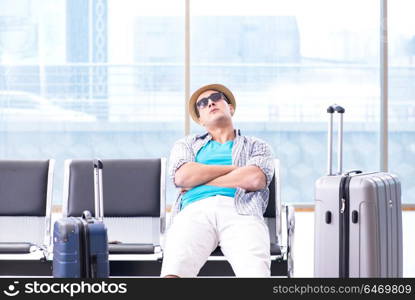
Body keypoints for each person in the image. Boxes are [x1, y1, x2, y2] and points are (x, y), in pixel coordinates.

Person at [160, 83, 275, 278]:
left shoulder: (257, 145)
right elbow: (182, 176)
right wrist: (236, 170)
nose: (210, 103)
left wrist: (201, 182)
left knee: (255, 273)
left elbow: (255, 178)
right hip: (194, 210)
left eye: (216, 97)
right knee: (174, 272)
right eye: (202, 103)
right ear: (200, 119)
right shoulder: (187, 144)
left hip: (241, 210)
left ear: (230, 108)